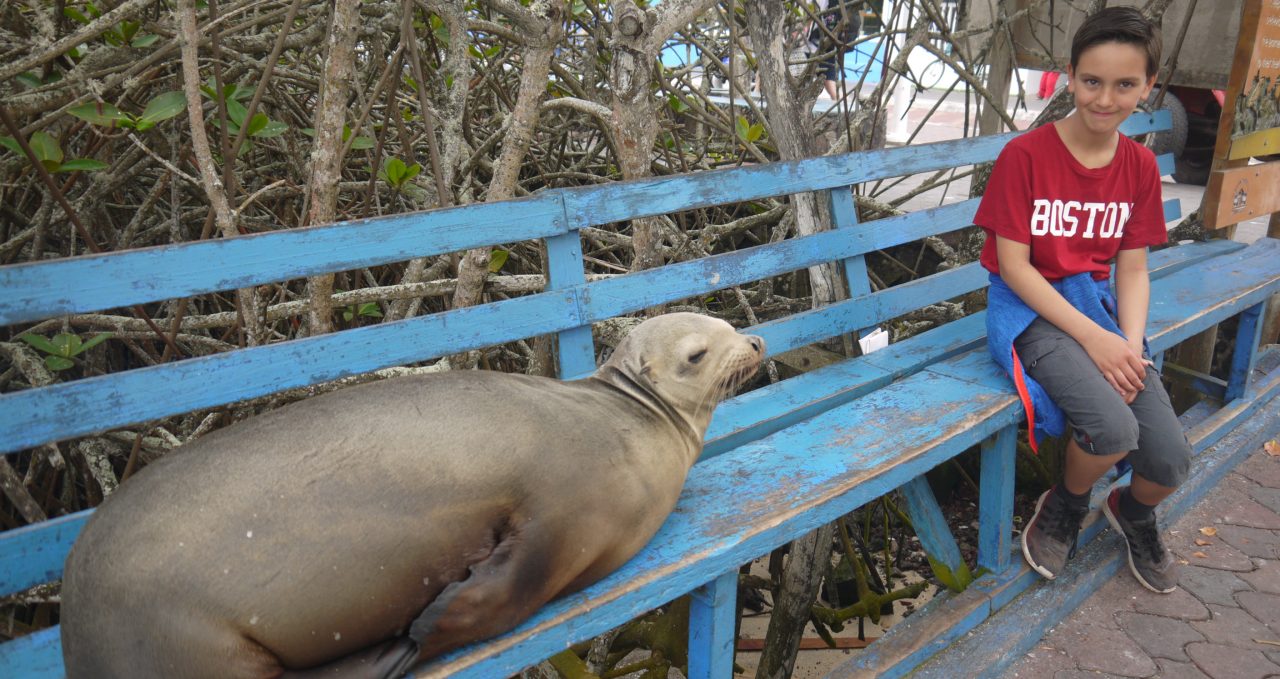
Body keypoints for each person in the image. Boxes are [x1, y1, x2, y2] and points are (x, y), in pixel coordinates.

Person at [976, 7, 1192, 594]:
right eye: (1092, 81)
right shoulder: (1026, 157)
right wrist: (1095, 340)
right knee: (1114, 430)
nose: (1105, 98)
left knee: (1170, 459)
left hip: (1099, 310)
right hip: (1031, 309)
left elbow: (1134, 267)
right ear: (1070, 76)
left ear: (1149, 87)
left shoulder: (1140, 165)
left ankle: (1132, 510)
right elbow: (1015, 269)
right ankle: (1067, 503)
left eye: (1126, 84)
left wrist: (1126, 341)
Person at [808, 0, 861, 100]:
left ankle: (838, 99)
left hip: (818, 43)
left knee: (827, 75)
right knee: (828, 76)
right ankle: (838, 99)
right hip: (825, 42)